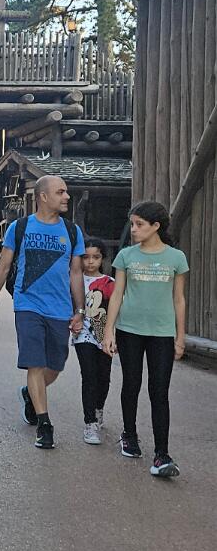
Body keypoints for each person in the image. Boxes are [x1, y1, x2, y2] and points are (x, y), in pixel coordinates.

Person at [0, 175, 85, 450]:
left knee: (56, 365)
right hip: (27, 305)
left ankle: (30, 393)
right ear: (43, 196)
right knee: (35, 363)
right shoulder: (20, 227)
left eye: (66, 192)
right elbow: (3, 267)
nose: (66, 196)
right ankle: (44, 424)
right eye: (60, 192)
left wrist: (80, 309)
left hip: (60, 308)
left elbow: (76, 273)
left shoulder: (72, 231)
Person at [102, 201, 188, 478]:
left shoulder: (176, 258)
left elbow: (179, 299)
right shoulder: (126, 256)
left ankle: (162, 454)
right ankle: (129, 435)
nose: (134, 229)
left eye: (139, 224)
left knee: (159, 391)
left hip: (162, 333)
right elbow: (117, 295)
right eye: (133, 224)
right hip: (129, 330)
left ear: (156, 226)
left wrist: (180, 336)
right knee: (132, 383)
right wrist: (108, 331)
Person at [72, 237, 115, 445]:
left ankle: (98, 409)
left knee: (103, 376)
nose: (90, 261)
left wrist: (113, 334)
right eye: (86, 257)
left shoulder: (110, 283)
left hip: (104, 335)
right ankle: (90, 422)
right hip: (82, 334)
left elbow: (116, 311)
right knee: (88, 376)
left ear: (102, 259)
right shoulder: (75, 280)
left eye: (95, 257)